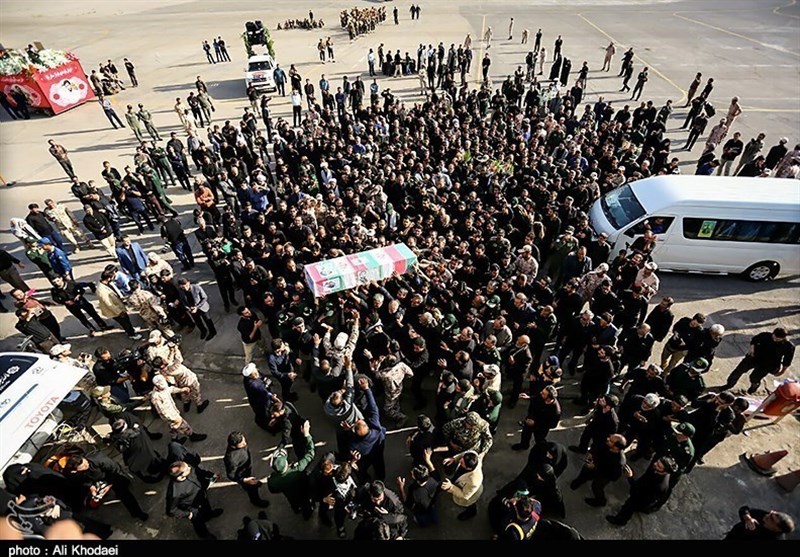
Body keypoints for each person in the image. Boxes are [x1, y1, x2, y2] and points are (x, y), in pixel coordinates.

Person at [63, 452, 149, 521]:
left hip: (113, 475)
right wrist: (91, 487)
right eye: (84, 466)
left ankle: (138, 513)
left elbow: (114, 469)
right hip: (100, 479)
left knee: (124, 493)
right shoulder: (75, 473)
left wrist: (109, 485)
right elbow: (84, 479)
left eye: (86, 462)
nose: (87, 464)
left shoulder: (98, 459)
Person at [605, 456, 678, 526]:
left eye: (659, 466)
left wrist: (630, 477)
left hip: (640, 499)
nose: (655, 464)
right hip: (644, 495)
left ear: (665, 472)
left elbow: (638, 491)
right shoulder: (658, 471)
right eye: (657, 462)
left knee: (628, 508)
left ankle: (620, 521)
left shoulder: (659, 485)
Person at [267, 420, 315, 519]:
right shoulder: (297, 469)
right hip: (304, 492)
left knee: (294, 503)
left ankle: (296, 509)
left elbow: (273, 490)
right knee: (306, 504)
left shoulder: (273, 480)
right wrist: (307, 435)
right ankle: (307, 515)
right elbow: (310, 453)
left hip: (291, 496)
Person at [724, 327, 794, 393]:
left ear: (783, 338)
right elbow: (754, 340)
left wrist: (782, 371)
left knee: (754, 378)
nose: (775, 339)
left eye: (778, 339)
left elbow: (787, 360)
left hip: (768, 364)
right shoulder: (765, 335)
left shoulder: (788, 346)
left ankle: (754, 387)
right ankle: (729, 385)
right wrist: (752, 348)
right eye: (774, 337)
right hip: (754, 357)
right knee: (738, 371)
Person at [166, 460, 222, 539]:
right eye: (187, 469)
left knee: (206, 507)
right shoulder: (174, 492)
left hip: (201, 495)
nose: (189, 468)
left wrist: (212, 475)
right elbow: (171, 510)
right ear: (180, 476)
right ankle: (205, 536)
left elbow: (200, 472)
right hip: (192, 507)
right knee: (198, 523)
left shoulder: (188, 469)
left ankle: (209, 515)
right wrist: (188, 514)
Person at [149, 374, 207, 442]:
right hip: (170, 415)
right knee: (182, 424)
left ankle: (174, 439)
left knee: (173, 427)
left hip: (172, 411)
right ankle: (192, 436)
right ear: (157, 385)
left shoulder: (163, 388)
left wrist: (181, 390)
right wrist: (174, 418)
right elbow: (162, 411)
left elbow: (170, 389)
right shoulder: (156, 397)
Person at [108, 418, 164, 483]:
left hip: (136, 461)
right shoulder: (137, 432)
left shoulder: (120, 441)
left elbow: (122, 450)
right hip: (149, 454)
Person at [225, 431, 270, 507]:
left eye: (244, 441)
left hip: (246, 467)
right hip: (243, 474)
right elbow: (231, 475)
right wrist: (244, 480)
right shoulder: (231, 459)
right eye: (242, 444)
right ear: (234, 446)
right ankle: (255, 501)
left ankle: (246, 486)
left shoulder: (240, 445)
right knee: (252, 488)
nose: (245, 444)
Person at [513, 385, 562, 450]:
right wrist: (528, 397)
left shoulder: (556, 411)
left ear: (549, 398)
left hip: (541, 427)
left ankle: (540, 452)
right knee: (525, 434)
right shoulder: (541, 396)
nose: (540, 393)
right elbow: (536, 398)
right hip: (532, 418)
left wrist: (535, 423)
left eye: (543, 393)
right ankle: (524, 445)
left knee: (539, 440)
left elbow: (553, 425)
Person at [440, 450, 484, 520]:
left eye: (462, 463)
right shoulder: (472, 455)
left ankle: (471, 512)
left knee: (469, 503)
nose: (460, 461)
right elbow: (463, 454)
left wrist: (451, 487)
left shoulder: (474, 481)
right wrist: (454, 459)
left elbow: (464, 495)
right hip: (461, 479)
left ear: (468, 468)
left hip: (469, 492)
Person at [723, 506, 795, 540]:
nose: (767, 515)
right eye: (771, 513)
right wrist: (748, 518)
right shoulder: (764, 515)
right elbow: (744, 509)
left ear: (777, 529)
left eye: (771, 518)